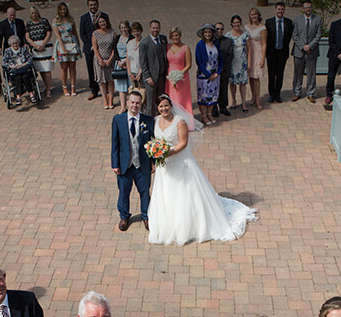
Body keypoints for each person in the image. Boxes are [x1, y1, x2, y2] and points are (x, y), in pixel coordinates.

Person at [147, 94, 257, 245]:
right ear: (157, 108)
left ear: (171, 106)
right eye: (161, 106)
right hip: (164, 166)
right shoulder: (156, 121)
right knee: (166, 192)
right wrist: (157, 154)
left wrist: (167, 153)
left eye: (166, 105)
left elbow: (183, 143)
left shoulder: (180, 122)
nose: (164, 109)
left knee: (183, 192)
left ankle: (188, 226)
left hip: (179, 162)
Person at [110, 90, 152, 232]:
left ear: (141, 104)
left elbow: (151, 143)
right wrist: (115, 164)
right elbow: (114, 144)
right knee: (123, 191)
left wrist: (152, 162)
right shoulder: (118, 120)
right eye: (132, 102)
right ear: (127, 103)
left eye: (138, 103)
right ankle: (124, 216)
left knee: (145, 191)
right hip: (124, 164)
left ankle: (146, 216)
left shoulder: (148, 120)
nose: (135, 105)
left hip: (142, 164)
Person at [165, 27, 197, 129]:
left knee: (180, 99)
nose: (175, 37)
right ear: (171, 36)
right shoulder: (167, 46)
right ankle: (172, 121)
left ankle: (184, 122)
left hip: (181, 77)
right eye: (173, 36)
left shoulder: (185, 48)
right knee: (171, 99)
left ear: (180, 35)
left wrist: (179, 75)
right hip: (169, 77)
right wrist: (172, 76)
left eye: (177, 35)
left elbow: (188, 64)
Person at [290, 0, 321, 103]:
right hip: (299, 51)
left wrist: (310, 46)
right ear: (303, 9)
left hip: (312, 51)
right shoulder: (297, 19)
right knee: (298, 73)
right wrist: (303, 46)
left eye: (310, 7)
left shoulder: (317, 20)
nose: (308, 9)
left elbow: (318, 35)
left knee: (311, 73)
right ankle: (297, 92)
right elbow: (294, 35)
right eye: (306, 7)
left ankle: (311, 93)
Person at [79, 0, 108, 100]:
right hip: (89, 49)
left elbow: (107, 30)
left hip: (103, 49)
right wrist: (91, 44)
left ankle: (106, 90)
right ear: (88, 6)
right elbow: (82, 34)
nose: (93, 7)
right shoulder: (83, 18)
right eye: (91, 5)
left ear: (98, 5)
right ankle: (94, 90)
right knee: (91, 70)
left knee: (104, 69)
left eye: (94, 4)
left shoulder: (104, 16)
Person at [265, 2, 293, 103]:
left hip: (282, 52)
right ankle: (271, 94)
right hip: (272, 53)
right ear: (275, 10)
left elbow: (289, 37)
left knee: (280, 74)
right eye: (278, 9)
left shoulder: (289, 23)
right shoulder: (269, 22)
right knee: (271, 74)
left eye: (282, 9)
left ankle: (278, 94)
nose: (280, 11)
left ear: (284, 10)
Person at [194, 24, 221, 127]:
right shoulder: (200, 45)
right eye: (206, 32)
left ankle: (210, 114)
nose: (208, 34)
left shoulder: (216, 43)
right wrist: (208, 74)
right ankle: (204, 115)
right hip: (204, 76)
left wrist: (218, 72)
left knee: (213, 96)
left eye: (209, 32)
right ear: (203, 34)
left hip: (215, 75)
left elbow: (220, 59)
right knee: (203, 97)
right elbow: (199, 62)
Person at [139, 19, 168, 115]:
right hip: (151, 77)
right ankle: (150, 121)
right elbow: (143, 62)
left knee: (161, 99)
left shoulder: (163, 39)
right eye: (153, 28)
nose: (155, 30)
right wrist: (147, 77)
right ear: (149, 29)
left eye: (157, 28)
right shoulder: (144, 43)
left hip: (162, 76)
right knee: (150, 102)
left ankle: (161, 118)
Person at [26, 6, 54, 99]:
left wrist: (43, 44)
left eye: (35, 13)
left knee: (47, 69)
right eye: (32, 13)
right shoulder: (29, 24)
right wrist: (35, 45)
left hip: (46, 47)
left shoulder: (44, 21)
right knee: (41, 69)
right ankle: (46, 86)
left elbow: (49, 33)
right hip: (36, 49)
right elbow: (27, 37)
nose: (34, 15)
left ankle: (49, 90)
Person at [51, 2, 79, 96]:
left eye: (64, 9)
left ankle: (73, 87)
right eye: (61, 9)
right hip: (62, 44)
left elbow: (75, 32)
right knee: (64, 67)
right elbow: (58, 36)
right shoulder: (56, 21)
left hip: (71, 43)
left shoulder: (71, 19)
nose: (63, 11)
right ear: (59, 10)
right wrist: (63, 49)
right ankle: (64, 87)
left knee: (72, 67)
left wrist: (77, 44)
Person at [225, 15, 251, 112]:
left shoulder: (245, 35)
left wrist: (249, 62)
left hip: (242, 62)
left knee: (243, 84)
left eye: (238, 22)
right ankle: (233, 101)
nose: (236, 24)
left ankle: (244, 103)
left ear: (240, 23)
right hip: (232, 62)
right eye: (234, 22)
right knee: (232, 83)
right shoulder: (228, 35)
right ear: (231, 24)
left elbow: (249, 49)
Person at [1, 36, 36, 106]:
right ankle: (18, 96)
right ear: (10, 44)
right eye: (13, 43)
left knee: (26, 77)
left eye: (16, 43)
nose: (15, 45)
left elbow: (30, 59)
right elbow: (3, 63)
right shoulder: (7, 51)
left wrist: (24, 64)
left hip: (24, 68)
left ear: (19, 43)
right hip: (14, 70)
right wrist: (12, 66)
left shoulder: (24, 49)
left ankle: (31, 94)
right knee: (18, 78)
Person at [92, 15, 117, 109]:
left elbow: (115, 47)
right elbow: (95, 47)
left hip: (110, 59)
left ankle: (111, 100)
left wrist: (111, 59)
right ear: (98, 23)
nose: (102, 23)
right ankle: (105, 100)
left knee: (110, 80)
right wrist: (100, 59)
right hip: (99, 60)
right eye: (100, 22)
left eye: (104, 21)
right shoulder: (95, 33)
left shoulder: (112, 32)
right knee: (102, 81)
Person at [245, 7, 267, 110]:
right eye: (252, 15)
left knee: (256, 78)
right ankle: (253, 97)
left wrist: (263, 58)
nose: (254, 16)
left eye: (255, 14)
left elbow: (264, 43)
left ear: (258, 15)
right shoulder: (246, 27)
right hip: (249, 52)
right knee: (250, 76)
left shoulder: (262, 28)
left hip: (258, 52)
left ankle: (258, 100)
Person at [213, 22, 233, 118]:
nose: (219, 31)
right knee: (213, 90)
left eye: (221, 29)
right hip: (212, 72)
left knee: (223, 89)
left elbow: (230, 56)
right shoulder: (210, 41)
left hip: (224, 70)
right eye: (217, 29)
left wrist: (222, 68)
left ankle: (223, 107)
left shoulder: (228, 41)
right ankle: (213, 108)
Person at [113, 20, 132, 112]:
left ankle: (131, 106)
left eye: (125, 27)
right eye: (122, 28)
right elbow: (114, 51)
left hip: (129, 63)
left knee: (131, 86)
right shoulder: (117, 38)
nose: (124, 29)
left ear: (128, 28)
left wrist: (125, 61)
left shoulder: (132, 38)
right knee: (121, 87)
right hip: (119, 64)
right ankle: (123, 107)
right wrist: (119, 61)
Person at [126, 21, 144, 92]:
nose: (136, 33)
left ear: (141, 31)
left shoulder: (145, 42)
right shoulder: (129, 43)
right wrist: (129, 73)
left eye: (137, 31)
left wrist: (139, 73)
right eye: (134, 31)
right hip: (132, 73)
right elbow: (128, 59)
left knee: (142, 92)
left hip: (142, 73)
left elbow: (145, 60)